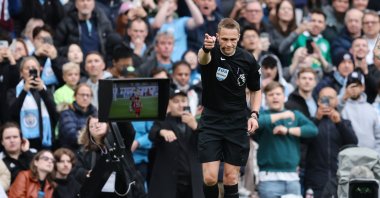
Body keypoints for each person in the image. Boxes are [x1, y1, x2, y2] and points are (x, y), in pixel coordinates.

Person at [198, 18, 261, 198]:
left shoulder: (247, 59)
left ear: (238, 37)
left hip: (237, 121)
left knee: (231, 177)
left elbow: (256, 90)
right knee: (210, 178)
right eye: (224, 39)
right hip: (212, 120)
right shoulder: (210, 52)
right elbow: (203, 59)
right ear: (218, 37)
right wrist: (206, 48)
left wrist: (254, 114)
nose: (228, 43)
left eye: (233, 39)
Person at [253, 81, 318, 198]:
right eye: (271, 94)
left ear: (284, 97)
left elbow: (313, 130)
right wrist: (282, 115)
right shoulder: (261, 115)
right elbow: (255, 124)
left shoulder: (295, 115)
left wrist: (288, 130)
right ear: (265, 98)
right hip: (268, 179)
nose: (275, 97)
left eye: (278, 94)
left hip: (292, 178)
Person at [148, 89, 204, 198]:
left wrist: (195, 126)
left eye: (183, 101)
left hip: (192, 181)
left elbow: (206, 143)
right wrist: (161, 132)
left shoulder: (195, 121)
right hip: (169, 181)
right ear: (169, 103)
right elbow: (152, 134)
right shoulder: (162, 121)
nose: (180, 104)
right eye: (176, 101)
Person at [304, 87, 357, 198]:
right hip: (315, 179)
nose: (327, 101)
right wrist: (316, 120)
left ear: (336, 101)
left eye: (331, 98)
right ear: (318, 101)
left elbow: (353, 142)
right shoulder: (310, 122)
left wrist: (339, 123)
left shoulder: (344, 122)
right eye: (324, 98)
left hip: (338, 178)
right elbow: (304, 141)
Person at [74, 116, 145, 198]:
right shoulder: (85, 151)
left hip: (126, 191)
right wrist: (86, 173)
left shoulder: (120, 142)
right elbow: (77, 171)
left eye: (99, 122)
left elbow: (129, 131)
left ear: (108, 125)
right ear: (88, 132)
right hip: (99, 193)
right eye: (92, 126)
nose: (97, 126)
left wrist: (116, 114)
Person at [7, 56, 58, 150]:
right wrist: (24, 91)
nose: (31, 70)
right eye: (27, 68)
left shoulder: (46, 91)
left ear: (39, 71)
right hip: (23, 142)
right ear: (21, 73)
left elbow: (54, 112)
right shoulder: (13, 92)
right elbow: (12, 114)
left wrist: (42, 91)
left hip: (44, 141)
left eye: (34, 68)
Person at [341, 71, 380, 153]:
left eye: (357, 85)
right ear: (346, 87)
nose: (354, 88)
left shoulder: (371, 108)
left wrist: (376, 154)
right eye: (351, 85)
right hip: (348, 157)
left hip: (371, 157)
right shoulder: (341, 107)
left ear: (363, 87)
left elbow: (378, 135)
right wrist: (343, 98)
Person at [58, 83, 97, 151]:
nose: (85, 98)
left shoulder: (95, 113)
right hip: (72, 152)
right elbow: (72, 136)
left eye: (88, 95)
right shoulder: (66, 113)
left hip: (92, 151)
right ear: (75, 96)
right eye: (82, 95)